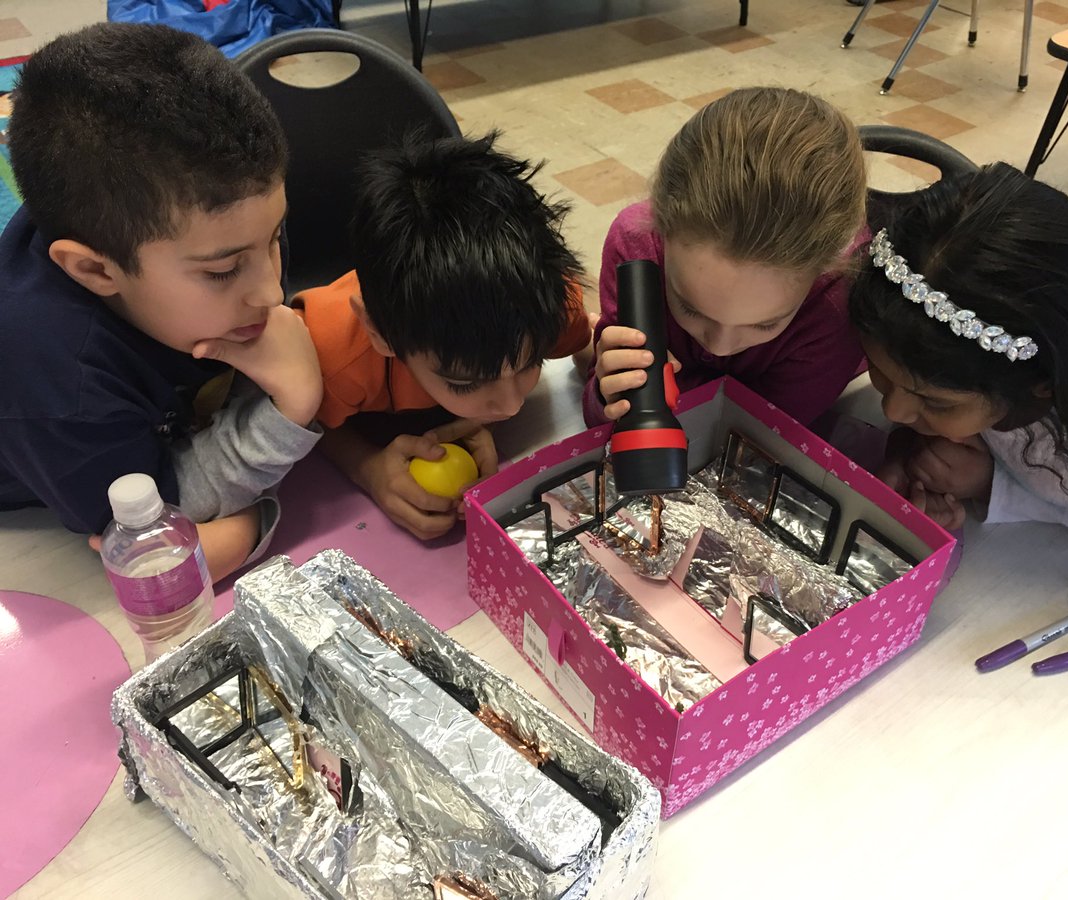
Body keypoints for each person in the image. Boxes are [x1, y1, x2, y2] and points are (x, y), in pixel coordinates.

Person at [0, 23, 324, 581]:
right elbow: (149, 530)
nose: (272, 292)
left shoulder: (222, 229)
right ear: (96, 269)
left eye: (275, 237)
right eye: (223, 271)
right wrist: (292, 409)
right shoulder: (58, 385)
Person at [849, 162, 1068, 612]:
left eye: (932, 401)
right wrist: (917, 450)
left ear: (1042, 385)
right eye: (882, 373)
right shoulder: (968, 362)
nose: (893, 410)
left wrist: (996, 488)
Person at [295, 132, 590, 541]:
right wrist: (367, 468)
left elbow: (586, 343)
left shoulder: (550, 304)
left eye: (530, 363)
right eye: (464, 381)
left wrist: (606, 360)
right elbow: (307, 421)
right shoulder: (326, 357)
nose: (511, 404)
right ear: (379, 332)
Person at [585, 87, 868, 428]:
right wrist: (606, 394)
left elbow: (760, 434)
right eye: (690, 308)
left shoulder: (840, 299)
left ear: (827, 266)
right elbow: (606, 414)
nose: (720, 346)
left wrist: (671, 390)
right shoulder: (635, 245)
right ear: (661, 228)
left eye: (766, 324)